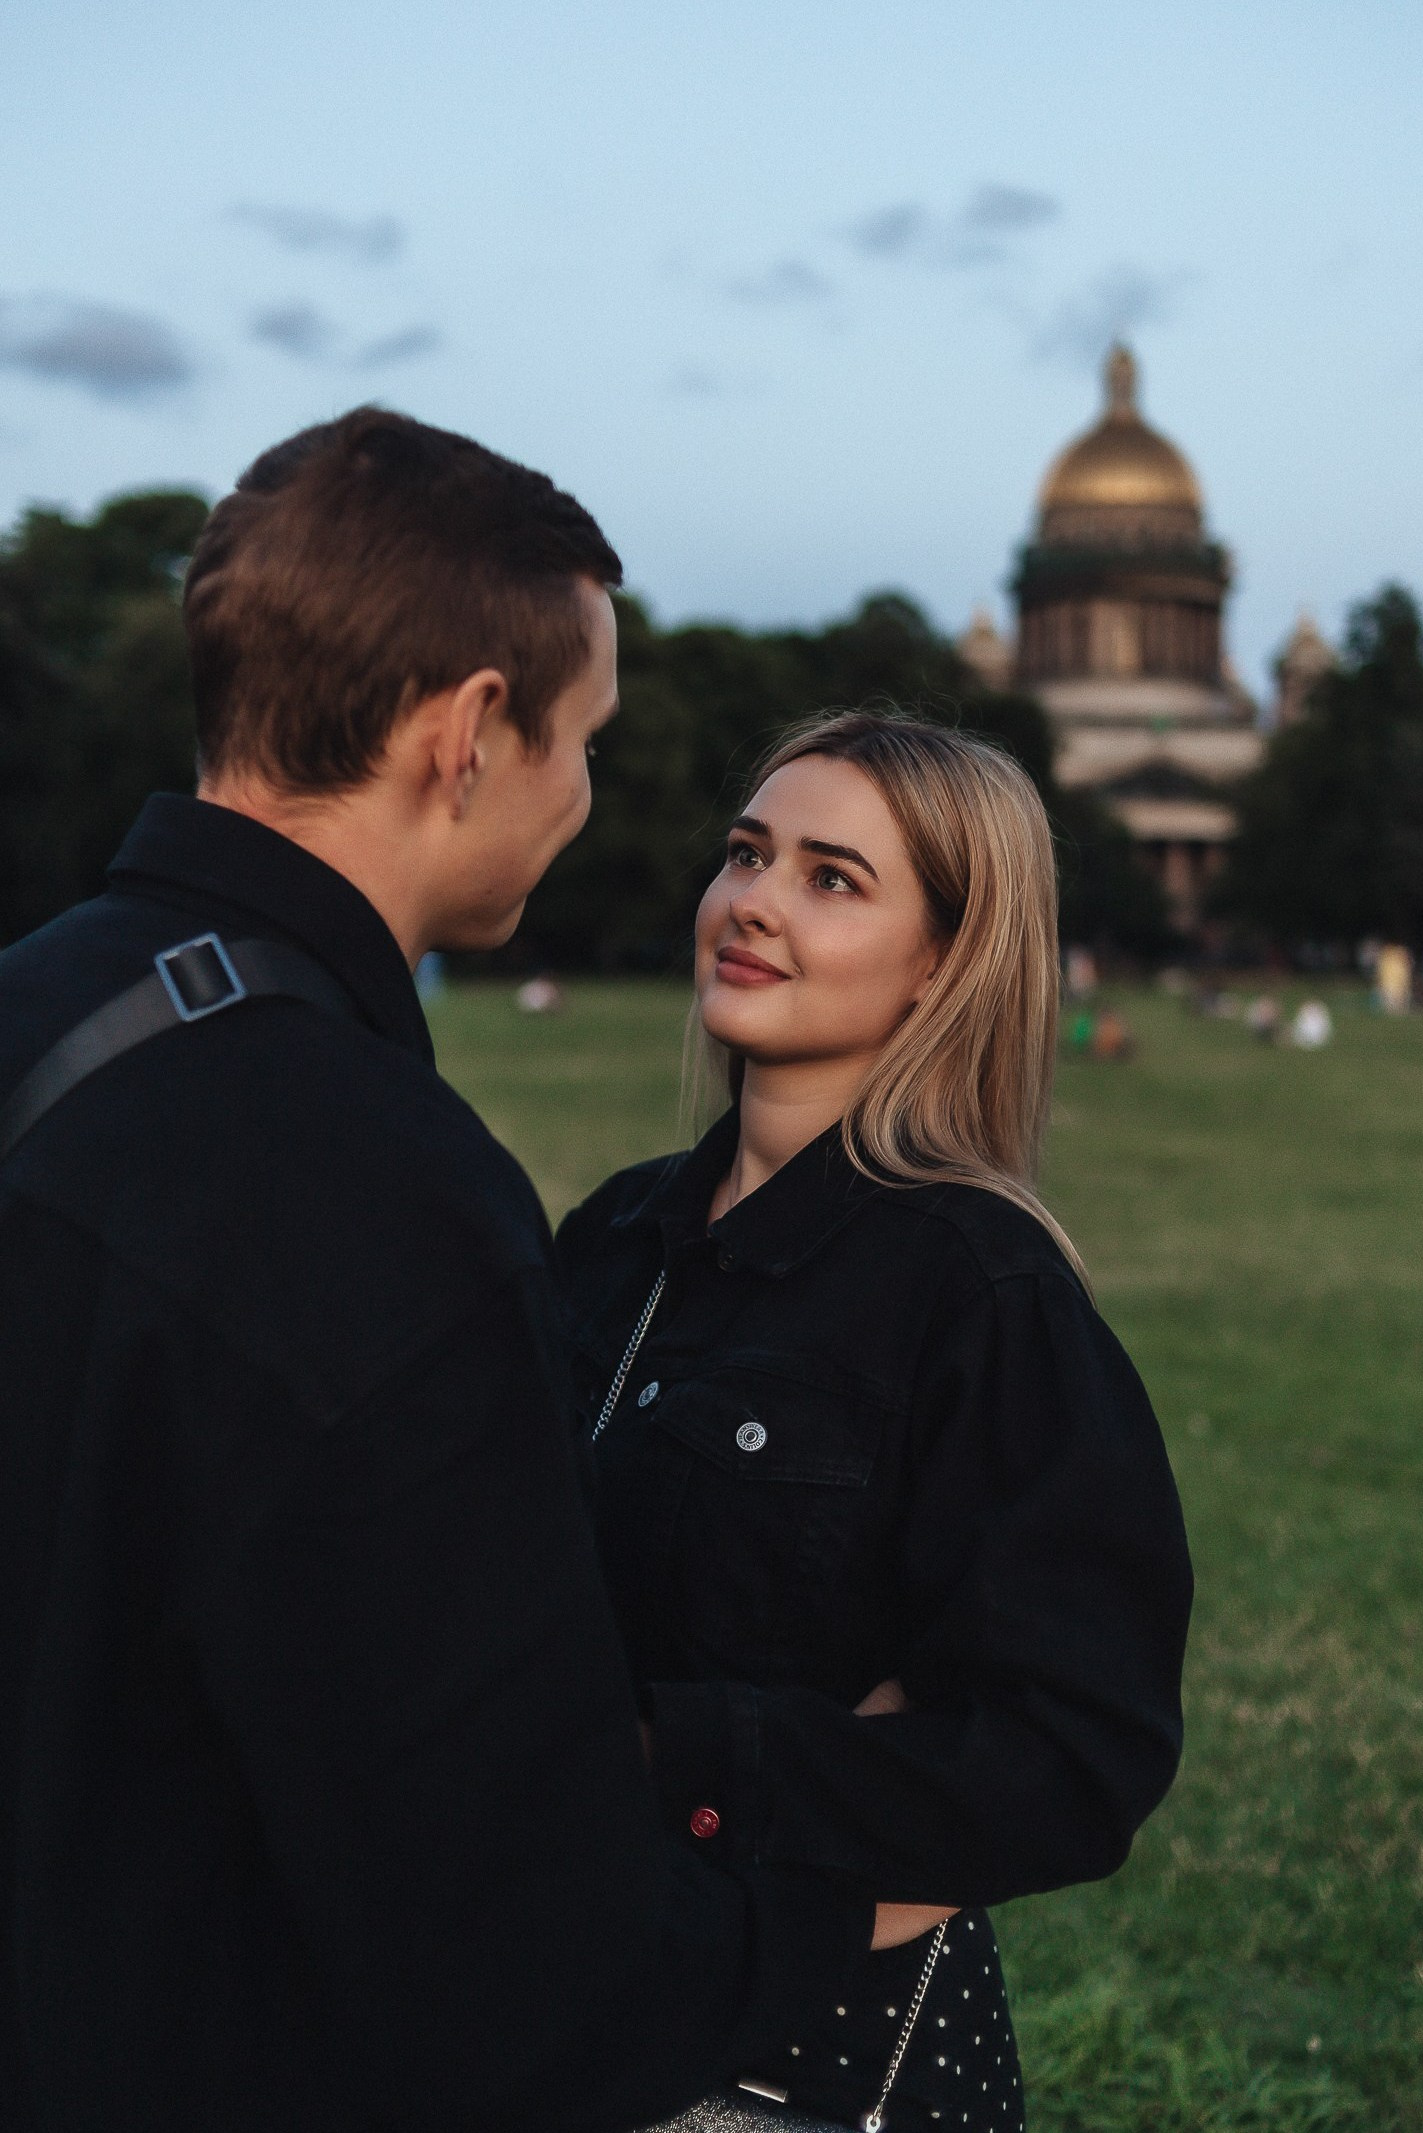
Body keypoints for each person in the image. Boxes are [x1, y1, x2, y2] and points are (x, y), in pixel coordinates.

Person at [0, 410, 936, 2131]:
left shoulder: (39, 1001)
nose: (584, 797)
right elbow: (517, 1960)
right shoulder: (384, 1199)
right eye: (584, 741)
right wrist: (847, 1898)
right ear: (471, 734)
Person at [556, 714, 1193, 2132]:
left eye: (832, 878)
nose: (755, 902)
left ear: (943, 966)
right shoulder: (614, 1236)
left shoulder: (982, 1293)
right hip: (559, 2006)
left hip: (802, 2072)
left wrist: (681, 1766)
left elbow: (1071, 1750)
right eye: (747, 854)